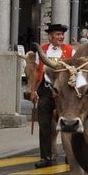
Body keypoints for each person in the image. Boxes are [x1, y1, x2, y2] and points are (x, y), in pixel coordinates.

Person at [32, 23, 74, 167]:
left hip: (63, 93)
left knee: (66, 124)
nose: (61, 37)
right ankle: (46, 157)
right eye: (57, 34)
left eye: (62, 34)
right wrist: (33, 91)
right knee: (44, 125)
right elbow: (37, 72)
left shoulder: (70, 51)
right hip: (45, 90)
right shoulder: (42, 50)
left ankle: (70, 155)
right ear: (50, 37)